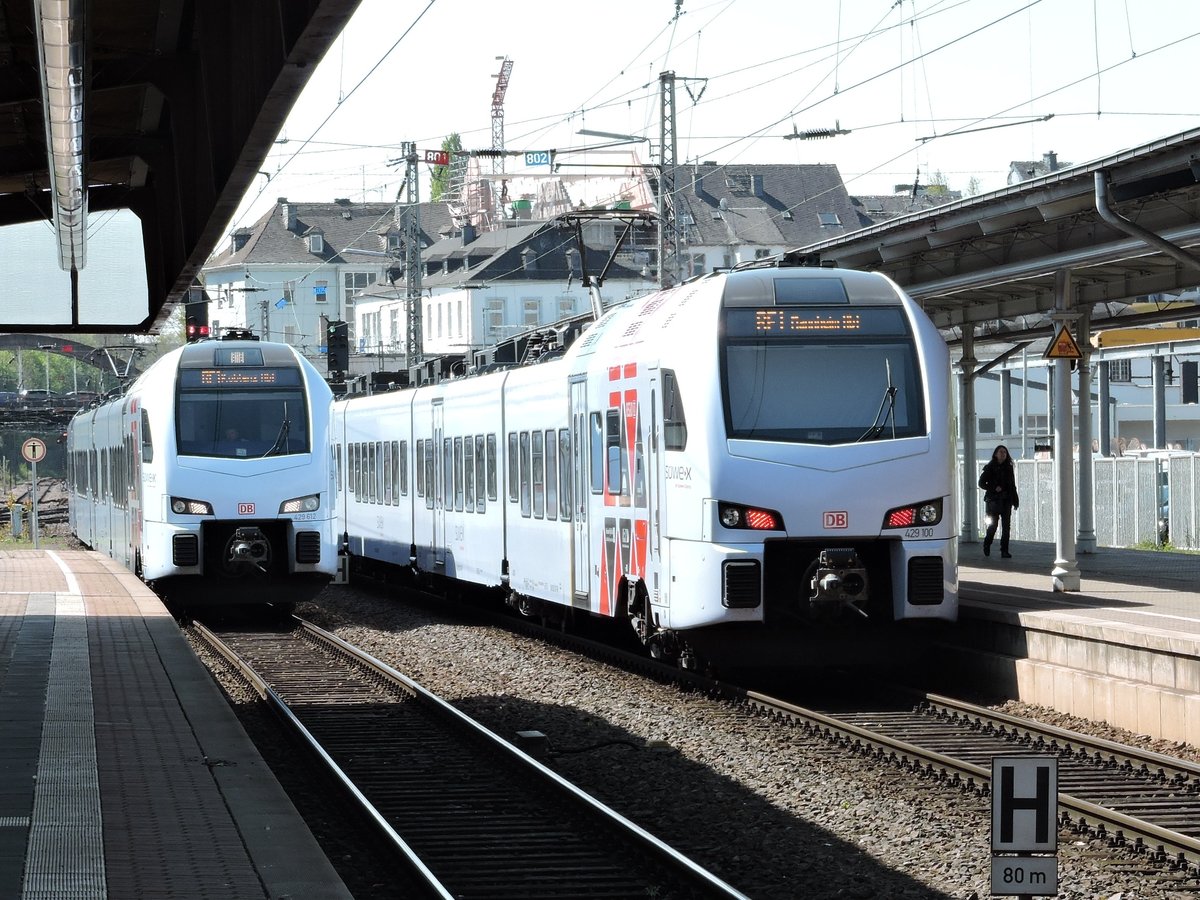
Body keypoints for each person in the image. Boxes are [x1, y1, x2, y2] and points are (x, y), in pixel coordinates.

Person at [979, 444, 1019, 558]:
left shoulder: (1009, 467)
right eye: (1001, 452)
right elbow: (981, 483)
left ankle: (1004, 550)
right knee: (993, 525)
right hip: (993, 501)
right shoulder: (990, 467)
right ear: (996, 454)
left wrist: (1015, 500)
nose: (1003, 454)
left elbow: (1012, 485)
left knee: (1006, 527)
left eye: (1005, 452)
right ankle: (987, 544)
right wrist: (993, 487)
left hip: (1006, 500)